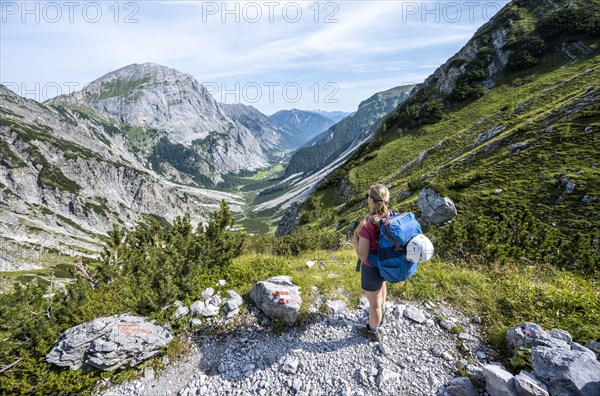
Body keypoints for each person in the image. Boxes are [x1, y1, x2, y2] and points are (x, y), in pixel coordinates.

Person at [354, 183, 391, 342]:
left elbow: (362, 255)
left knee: (373, 304)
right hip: (385, 264)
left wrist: (355, 242)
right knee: (381, 286)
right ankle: (381, 314)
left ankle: (373, 330)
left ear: (371, 201)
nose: (367, 198)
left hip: (371, 267)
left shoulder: (368, 224)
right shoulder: (390, 216)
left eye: (368, 196)